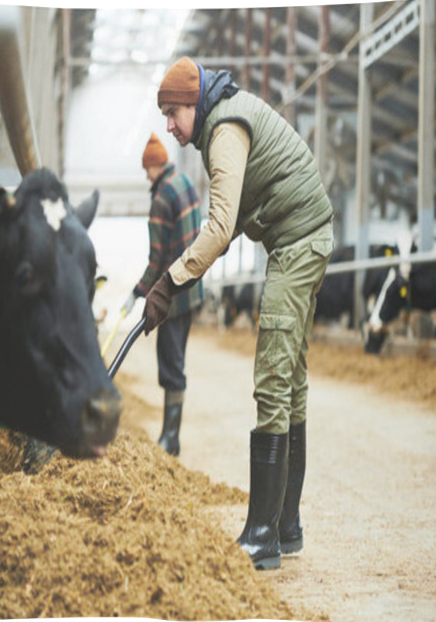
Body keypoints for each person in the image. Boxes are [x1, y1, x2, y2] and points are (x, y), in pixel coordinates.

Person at [143, 58, 334, 570]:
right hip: (303, 239)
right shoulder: (221, 123)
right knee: (290, 382)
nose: (169, 125)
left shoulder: (224, 129)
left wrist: (170, 280)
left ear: (193, 103)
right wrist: (179, 276)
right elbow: (227, 227)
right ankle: (285, 526)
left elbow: (220, 227)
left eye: (172, 113)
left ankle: (261, 536)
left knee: (273, 378)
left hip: (297, 244)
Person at [123, 133, 204, 456]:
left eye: (147, 169)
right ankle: (172, 436)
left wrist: (137, 291)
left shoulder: (161, 200)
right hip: (193, 290)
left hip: (172, 295)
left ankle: (170, 439)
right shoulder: (185, 184)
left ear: (156, 165)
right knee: (177, 360)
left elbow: (156, 259)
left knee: (170, 364)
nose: (146, 176)